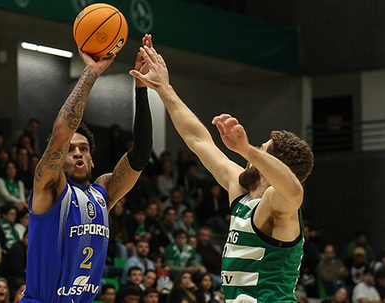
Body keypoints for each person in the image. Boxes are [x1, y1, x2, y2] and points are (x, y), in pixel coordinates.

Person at [130, 37, 314, 302]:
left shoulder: (279, 203)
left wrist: (247, 149)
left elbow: (294, 189)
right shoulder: (240, 189)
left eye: (263, 150)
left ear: (274, 166)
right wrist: (164, 88)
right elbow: (198, 139)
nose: (255, 155)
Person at [22, 37, 153, 303]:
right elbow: (60, 134)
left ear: (92, 160)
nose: (78, 152)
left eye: (83, 149)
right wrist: (91, 73)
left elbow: (140, 155)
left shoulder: (103, 192)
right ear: (59, 158)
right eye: (70, 150)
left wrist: (141, 86)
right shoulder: (49, 188)